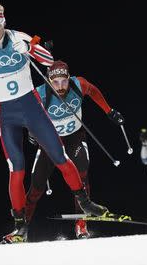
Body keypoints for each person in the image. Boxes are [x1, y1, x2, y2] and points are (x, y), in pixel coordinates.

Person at [0, 1, 110, 243]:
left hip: (31, 107)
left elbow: (48, 60)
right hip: (6, 113)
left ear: (4, 22)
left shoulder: (19, 36)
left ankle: (85, 202)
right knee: (16, 169)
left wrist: (30, 49)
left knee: (60, 156)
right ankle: (20, 225)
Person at [25, 60, 125, 239]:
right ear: (49, 80)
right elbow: (28, 113)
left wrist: (109, 111)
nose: (60, 86)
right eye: (55, 82)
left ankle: (81, 225)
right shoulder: (40, 93)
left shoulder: (79, 84)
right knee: (36, 187)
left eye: (64, 81)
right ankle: (21, 229)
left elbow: (93, 91)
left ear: (69, 78)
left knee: (82, 175)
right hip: (51, 142)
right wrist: (31, 132)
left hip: (74, 138)